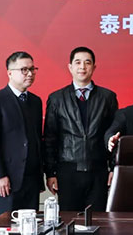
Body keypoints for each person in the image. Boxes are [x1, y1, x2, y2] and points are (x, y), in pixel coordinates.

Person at [44, 46, 118, 211]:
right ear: (70, 67)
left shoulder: (107, 97)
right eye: (78, 62)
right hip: (67, 171)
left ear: (94, 67)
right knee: (68, 220)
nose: (82, 67)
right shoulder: (57, 99)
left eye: (87, 63)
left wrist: (114, 168)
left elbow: (114, 136)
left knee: (97, 220)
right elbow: (50, 138)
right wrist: (50, 173)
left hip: (98, 171)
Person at [0, 51, 45, 219]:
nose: (30, 74)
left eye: (32, 69)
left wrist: (40, 178)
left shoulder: (35, 101)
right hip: (6, 181)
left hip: (31, 181)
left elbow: (37, 140)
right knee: (6, 228)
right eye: (24, 70)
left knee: (30, 230)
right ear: (10, 73)